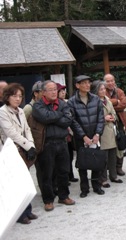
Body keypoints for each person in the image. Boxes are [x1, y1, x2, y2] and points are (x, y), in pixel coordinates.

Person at [32, 80, 75, 211]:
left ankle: (64, 196)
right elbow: (44, 118)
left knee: (64, 171)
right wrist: (59, 115)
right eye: (50, 89)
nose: (54, 92)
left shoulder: (62, 103)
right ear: (43, 92)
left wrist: (52, 118)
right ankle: (48, 199)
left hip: (62, 142)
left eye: (55, 89)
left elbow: (68, 120)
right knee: (47, 173)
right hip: (47, 143)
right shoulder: (38, 105)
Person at [0, 83, 38, 224]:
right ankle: (19, 214)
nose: (17, 99)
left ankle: (27, 210)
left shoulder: (21, 111)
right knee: (16, 184)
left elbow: (27, 129)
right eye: (14, 96)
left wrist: (31, 145)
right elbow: (11, 133)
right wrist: (28, 146)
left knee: (25, 181)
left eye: (20, 96)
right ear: (7, 97)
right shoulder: (3, 112)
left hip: (24, 149)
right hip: (11, 150)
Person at [68, 75, 105, 198]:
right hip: (81, 137)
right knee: (82, 163)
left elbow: (101, 118)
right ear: (77, 86)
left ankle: (96, 185)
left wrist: (98, 133)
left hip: (95, 135)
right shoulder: (72, 102)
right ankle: (84, 188)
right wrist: (83, 136)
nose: (87, 85)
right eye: (83, 83)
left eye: (88, 83)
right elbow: (73, 121)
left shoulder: (96, 99)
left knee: (96, 161)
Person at [91, 80, 122, 188]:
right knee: (103, 155)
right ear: (96, 91)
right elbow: (92, 117)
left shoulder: (107, 100)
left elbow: (113, 111)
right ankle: (103, 178)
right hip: (101, 130)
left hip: (111, 129)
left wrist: (113, 117)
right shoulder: (94, 102)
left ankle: (113, 175)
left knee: (113, 154)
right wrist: (104, 118)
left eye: (104, 89)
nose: (103, 91)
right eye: (101, 89)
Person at [104, 73, 126, 176]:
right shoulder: (102, 91)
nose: (110, 83)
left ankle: (119, 167)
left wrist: (110, 104)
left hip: (120, 121)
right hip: (107, 123)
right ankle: (110, 168)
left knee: (120, 144)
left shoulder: (119, 91)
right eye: (108, 81)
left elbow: (123, 105)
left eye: (112, 80)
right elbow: (102, 103)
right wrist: (116, 101)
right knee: (109, 146)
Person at [56, 83, 78, 183]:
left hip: (69, 134)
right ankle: (63, 179)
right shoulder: (55, 105)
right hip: (60, 135)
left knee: (69, 155)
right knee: (61, 159)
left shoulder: (67, 102)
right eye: (61, 91)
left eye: (64, 91)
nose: (63, 93)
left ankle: (70, 175)